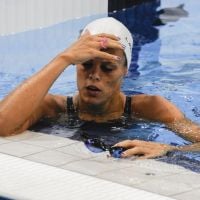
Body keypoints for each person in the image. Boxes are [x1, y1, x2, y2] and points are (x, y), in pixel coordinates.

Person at [0, 17, 199, 159]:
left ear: (125, 71)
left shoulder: (151, 108)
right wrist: (63, 58)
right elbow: (3, 125)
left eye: (108, 68)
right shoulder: (51, 106)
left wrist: (169, 148)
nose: (95, 75)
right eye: (85, 64)